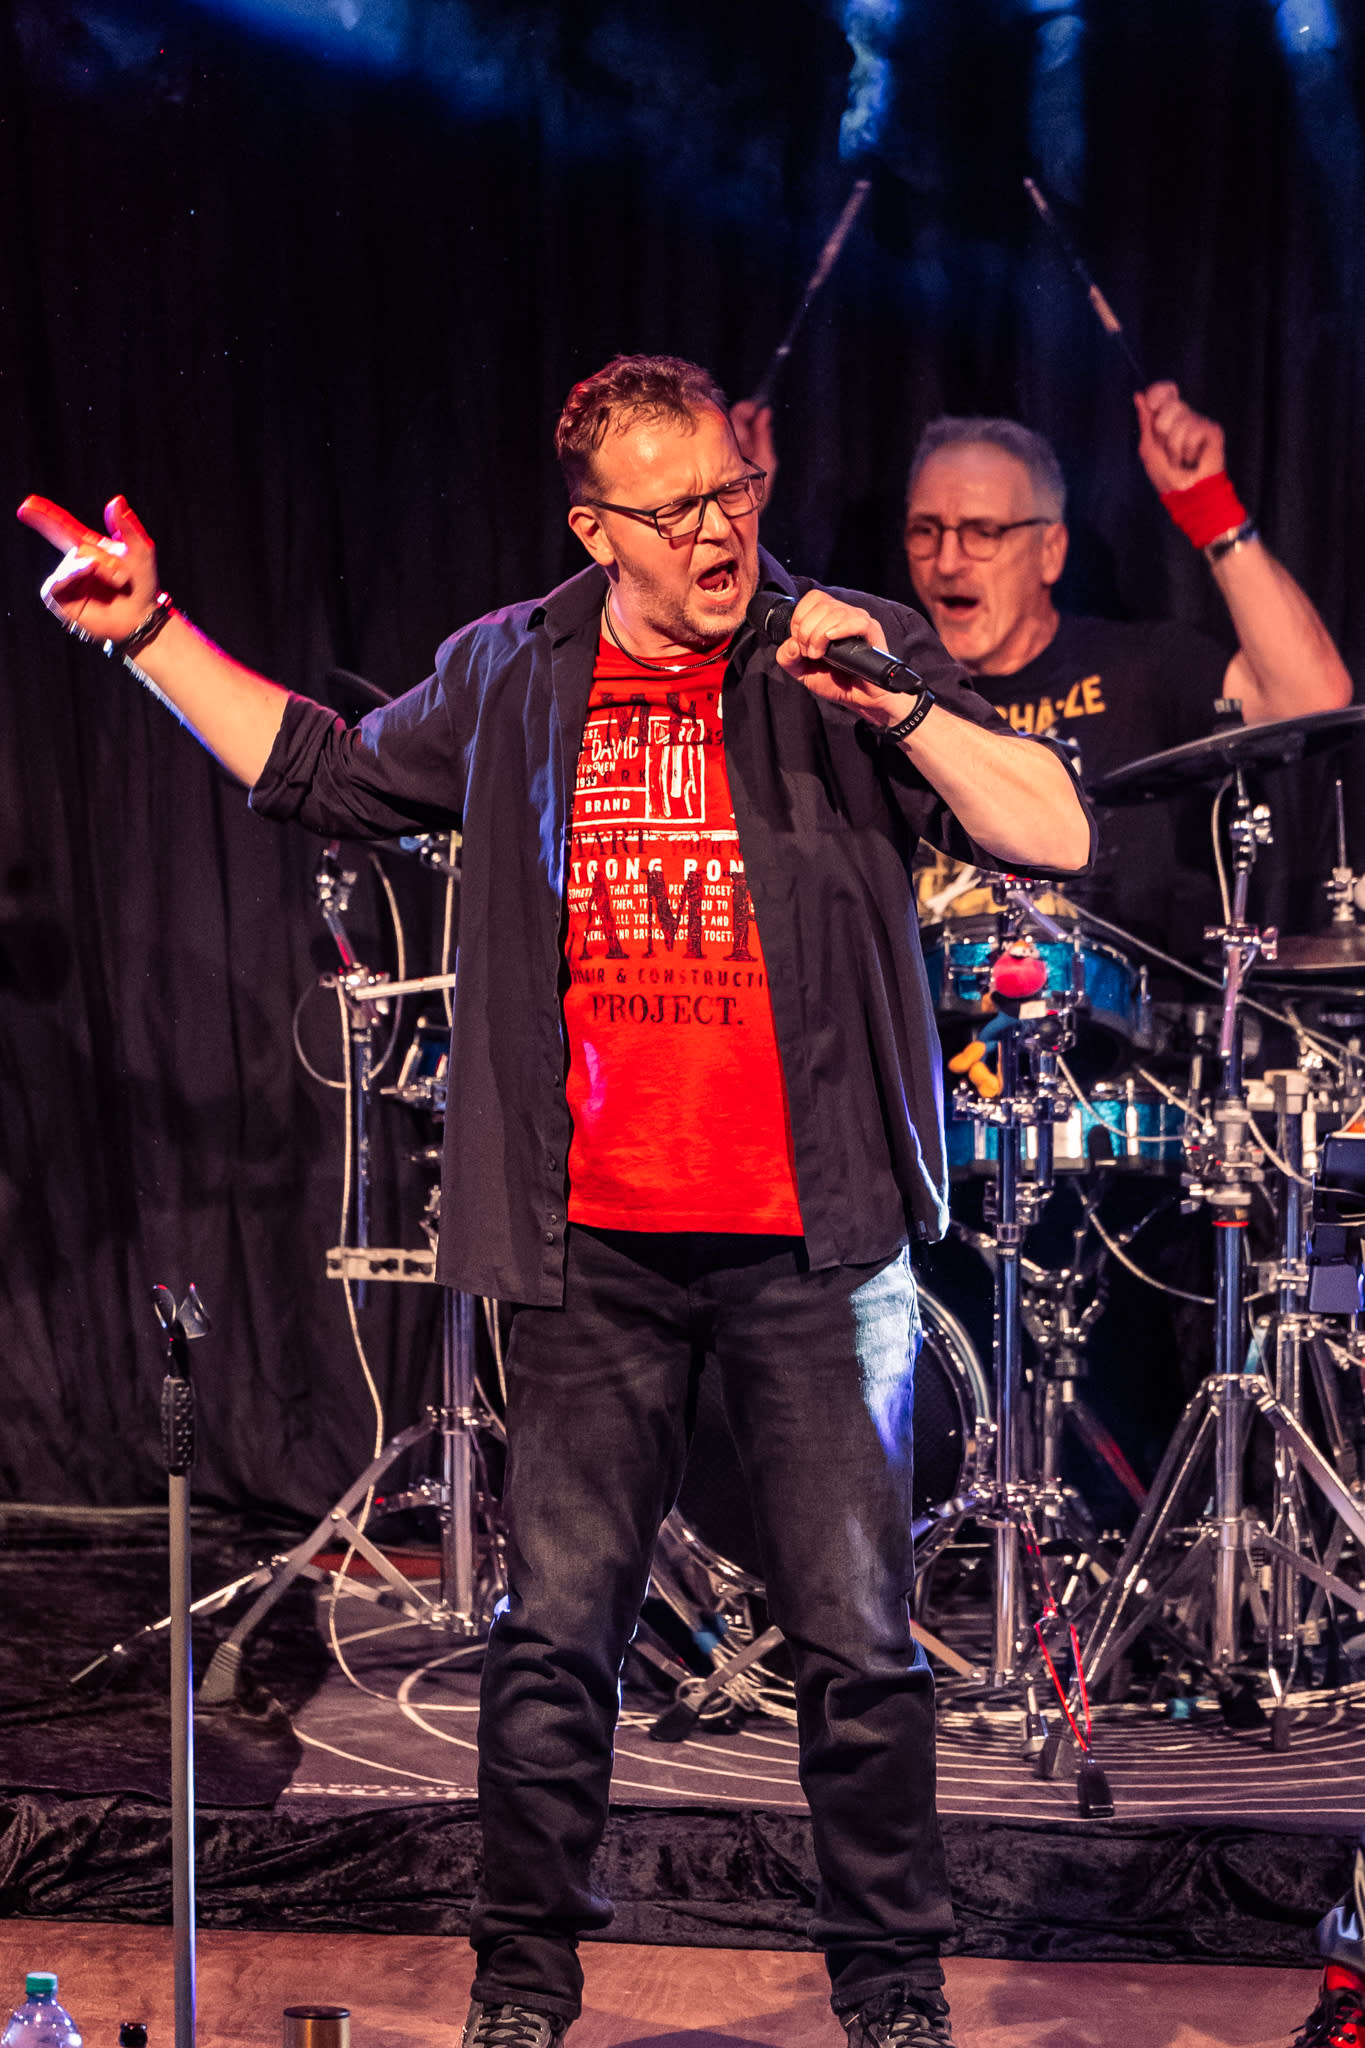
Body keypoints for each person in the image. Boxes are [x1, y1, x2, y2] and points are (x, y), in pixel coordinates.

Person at [18, 353, 1091, 2048]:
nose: (720, 532)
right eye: (676, 511)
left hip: (818, 1244)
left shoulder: (843, 645)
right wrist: (149, 634)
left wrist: (893, 702)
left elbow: (1057, 834)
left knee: (859, 1645)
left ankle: (892, 1993)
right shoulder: (515, 670)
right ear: (597, 530)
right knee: (554, 1642)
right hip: (593, 1250)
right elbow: (323, 771)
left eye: (734, 490)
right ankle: (523, 1989)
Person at [898, 384, 1353, 960]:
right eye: (925, 530)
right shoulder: (885, 687)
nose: (946, 561)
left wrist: (1207, 504)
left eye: (982, 533)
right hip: (926, 1012)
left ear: (1050, 551)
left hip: (1111, 1012)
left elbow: (1311, 697)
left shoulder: (1141, 667)